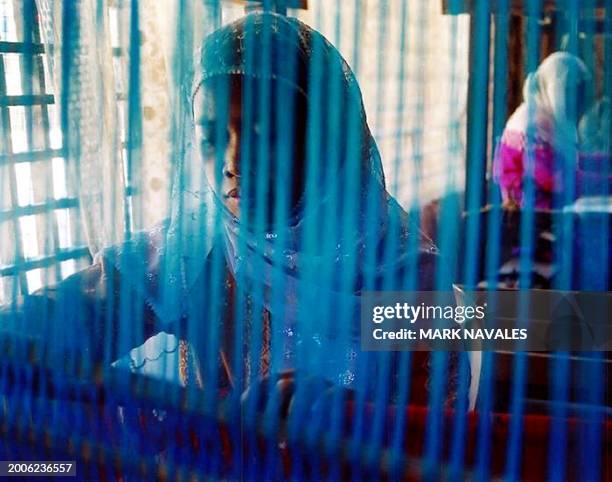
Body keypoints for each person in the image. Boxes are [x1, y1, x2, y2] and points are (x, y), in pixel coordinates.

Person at [18, 13, 460, 411]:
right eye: (211, 137)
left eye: (263, 132)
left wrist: (347, 415)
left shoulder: (406, 273)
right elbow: (79, 310)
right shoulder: (195, 248)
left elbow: (433, 430)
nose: (232, 160)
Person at [493, 52, 592, 210]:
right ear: (552, 89)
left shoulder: (546, 119)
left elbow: (569, 161)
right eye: (569, 92)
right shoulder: (530, 125)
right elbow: (561, 180)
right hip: (533, 220)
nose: (577, 101)